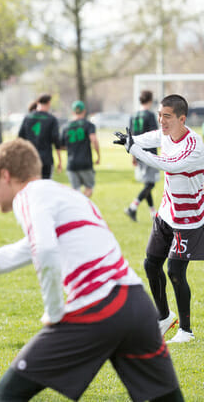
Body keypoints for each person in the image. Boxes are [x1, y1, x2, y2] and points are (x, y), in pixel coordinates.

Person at [0, 138, 183, 402]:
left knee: (7, 392)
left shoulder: (27, 195)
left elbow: (44, 250)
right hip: (136, 304)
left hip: (100, 306)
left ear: (5, 176)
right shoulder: (64, 195)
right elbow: (23, 250)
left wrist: (54, 310)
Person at [116, 93, 204, 344]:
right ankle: (164, 316)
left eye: (167, 116)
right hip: (167, 211)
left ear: (182, 119)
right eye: (159, 115)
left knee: (175, 271)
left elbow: (169, 164)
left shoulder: (194, 145)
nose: (161, 121)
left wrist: (134, 149)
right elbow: (154, 137)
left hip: (188, 217)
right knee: (150, 264)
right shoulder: (166, 133)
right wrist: (132, 140)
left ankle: (186, 331)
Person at [125, 90, 159, 222]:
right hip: (149, 153)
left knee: (148, 183)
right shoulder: (149, 115)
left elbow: (130, 137)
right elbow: (155, 134)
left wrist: (133, 155)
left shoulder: (133, 116)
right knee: (150, 184)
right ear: (150, 100)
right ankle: (132, 207)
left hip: (137, 152)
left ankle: (153, 213)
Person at [59, 100, 100, 198]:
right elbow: (93, 139)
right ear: (84, 111)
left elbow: (61, 146)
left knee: (75, 190)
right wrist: (98, 156)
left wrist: (71, 146)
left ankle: (77, 205)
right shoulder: (88, 125)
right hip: (85, 162)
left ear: (73, 112)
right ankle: (81, 204)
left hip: (71, 162)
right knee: (89, 188)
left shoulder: (65, 127)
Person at [18, 94, 62, 179]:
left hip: (30, 158)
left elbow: (20, 138)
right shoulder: (52, 119)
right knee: (45, 186)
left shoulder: (27, 117)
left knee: (31, 185)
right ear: (48, 103)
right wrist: (59, 160)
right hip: (46, 159)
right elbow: (56, 140)